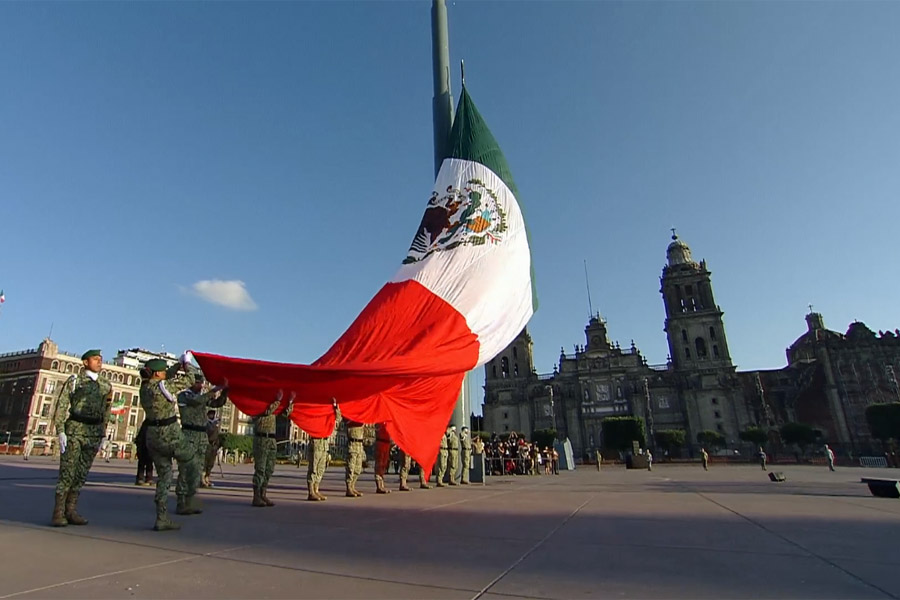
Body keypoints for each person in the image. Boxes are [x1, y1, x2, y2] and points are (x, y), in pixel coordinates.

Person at [50, 349, 113, 527]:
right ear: (85, 362)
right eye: (95, 359)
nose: (99, 362)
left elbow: (106, 411)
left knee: (81, 474)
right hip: (75, 430)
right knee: (67, 472)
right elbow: (62, 405)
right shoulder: (75, 381)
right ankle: (58, 512)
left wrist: (103, 433)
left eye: (101, 359)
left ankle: (71, 510)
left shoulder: (105, 385)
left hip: (93, 432)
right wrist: (60, 430)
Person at [141, 353, 199, 531]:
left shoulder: (145, 387)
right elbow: (190, 379)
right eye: (163, 371)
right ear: (157, 374)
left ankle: (162, 517)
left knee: (165, 477)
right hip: (170, 434)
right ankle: (187, 499)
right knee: (192, 461)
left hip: (152, 435)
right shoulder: (162, 387)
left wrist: (176, 365)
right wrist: (187, 364)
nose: (166, 372)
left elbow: (167, 377)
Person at [175, 375, 226, 514]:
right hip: (188, 435)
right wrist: (215, 389)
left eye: (202, 383)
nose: (201, 385)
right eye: (198, 382)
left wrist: (225, 390)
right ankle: (181, 502)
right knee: (185, 470)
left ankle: (189, 501)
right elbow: (197, 401)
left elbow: (217, 403)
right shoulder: (184, 396)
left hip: (201, 437)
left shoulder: (202, 397)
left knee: (197, 471)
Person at [252, 391, 292, 507]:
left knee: (269, 469)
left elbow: (284, 414)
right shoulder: (259, 404)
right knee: (260, 468)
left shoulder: (274, 404)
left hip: (272, 440)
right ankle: (256, 496)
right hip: (261, 438)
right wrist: (278, 401)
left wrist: (290, 403)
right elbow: (267, 411)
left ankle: (263, 493)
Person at [307, 400, 339, 501]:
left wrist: (335, 407)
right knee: (314, 468)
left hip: (324, 441)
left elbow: (338, 418)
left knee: (321, 468)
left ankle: (316, 489)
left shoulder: (329, 410)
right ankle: (311, 491)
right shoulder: (314, 410)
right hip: (316, 441)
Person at [345, 417, 365, 497]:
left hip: (360, 444)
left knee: (358, 468)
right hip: (352, 442)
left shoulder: (362, 416)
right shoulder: (350, 415)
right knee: (351, 467)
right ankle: (349, 487)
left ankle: (353, 486)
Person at [202, 409, 221, 488]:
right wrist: (214, 424)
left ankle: (207, 478)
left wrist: (218, 444)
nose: (213, 416)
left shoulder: (215, 424)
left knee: (211, 464)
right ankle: (202, 479)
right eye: (211, 415)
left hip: (214, 446)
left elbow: (217, 435)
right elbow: (210, 432)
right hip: (208, 445)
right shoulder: (207, 423)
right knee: (205, 463)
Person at [134, 419, 154, 486]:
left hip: (145, 445)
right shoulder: (150, 424)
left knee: (145, 464)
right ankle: (147, 478)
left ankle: (142, 478)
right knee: (147, 463)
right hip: (145, 445)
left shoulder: (146, 424)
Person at [373, 423, 391, 494]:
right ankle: (379, 486)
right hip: (380, 442)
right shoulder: (379, 420)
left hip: (387, 442)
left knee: (384, 464)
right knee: (379, 464)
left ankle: (382, 484)